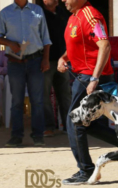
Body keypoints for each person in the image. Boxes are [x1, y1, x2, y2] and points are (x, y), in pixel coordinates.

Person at [58, 0, 118, 185]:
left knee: (74, 121)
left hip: (90, 77)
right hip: (83, 76)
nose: (63, 0)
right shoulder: (73, 17)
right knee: (87, 124)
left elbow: (104, 45)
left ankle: (86, 170)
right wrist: (63, 57)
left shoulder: (91, 15)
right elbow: (76, 45)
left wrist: (94, 78)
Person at [0, 0, 52, 146]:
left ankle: (38, 136)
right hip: (15, 63)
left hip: (35, 61)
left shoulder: (37, 10)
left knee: (37, 101)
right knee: (17, 101)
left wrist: (45, 59)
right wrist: (9, 43)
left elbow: (45, 38)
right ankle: (16, 136)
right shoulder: (5, 12)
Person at [42, 0, 71, 137]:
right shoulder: (39, 14)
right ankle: (48, 126)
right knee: (45, 95)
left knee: (65, 94)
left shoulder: (63, 13)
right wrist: (43, 59)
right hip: (46, 60)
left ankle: (68, 125)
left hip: (63, 59)